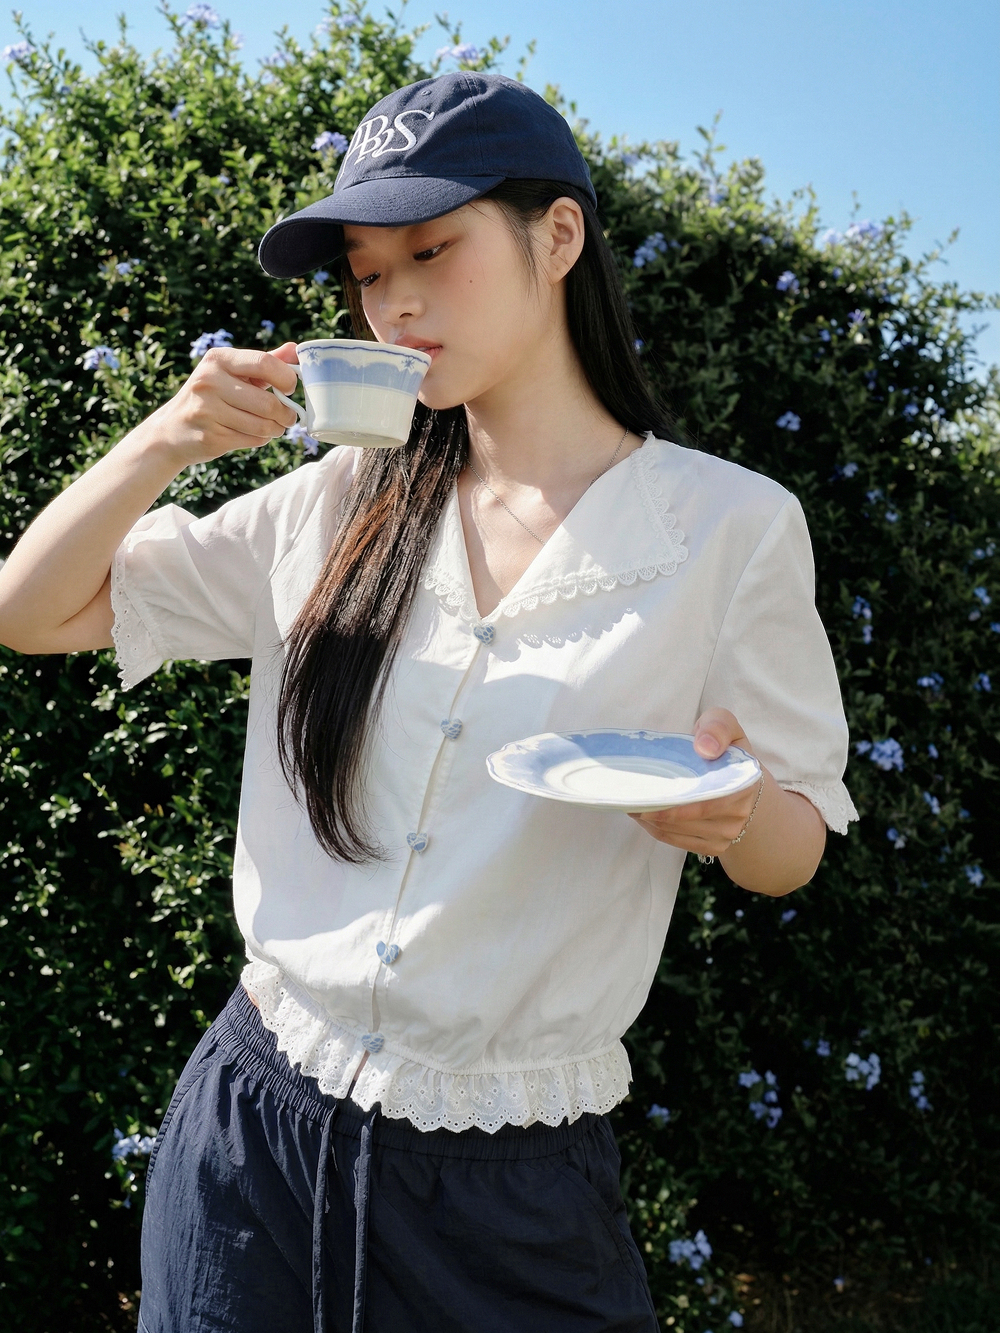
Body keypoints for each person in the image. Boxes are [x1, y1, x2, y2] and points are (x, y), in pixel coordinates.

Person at [0, 72, 857, 1333]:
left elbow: (796, 846)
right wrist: (166, 440)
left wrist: (733, 810)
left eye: (431, 250)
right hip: (252, 1148)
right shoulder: (335, 499)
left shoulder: (728, 526)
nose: (391, 301)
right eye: (364, 272)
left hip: (513, 1199)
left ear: (555, 237)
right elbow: (31, 610)